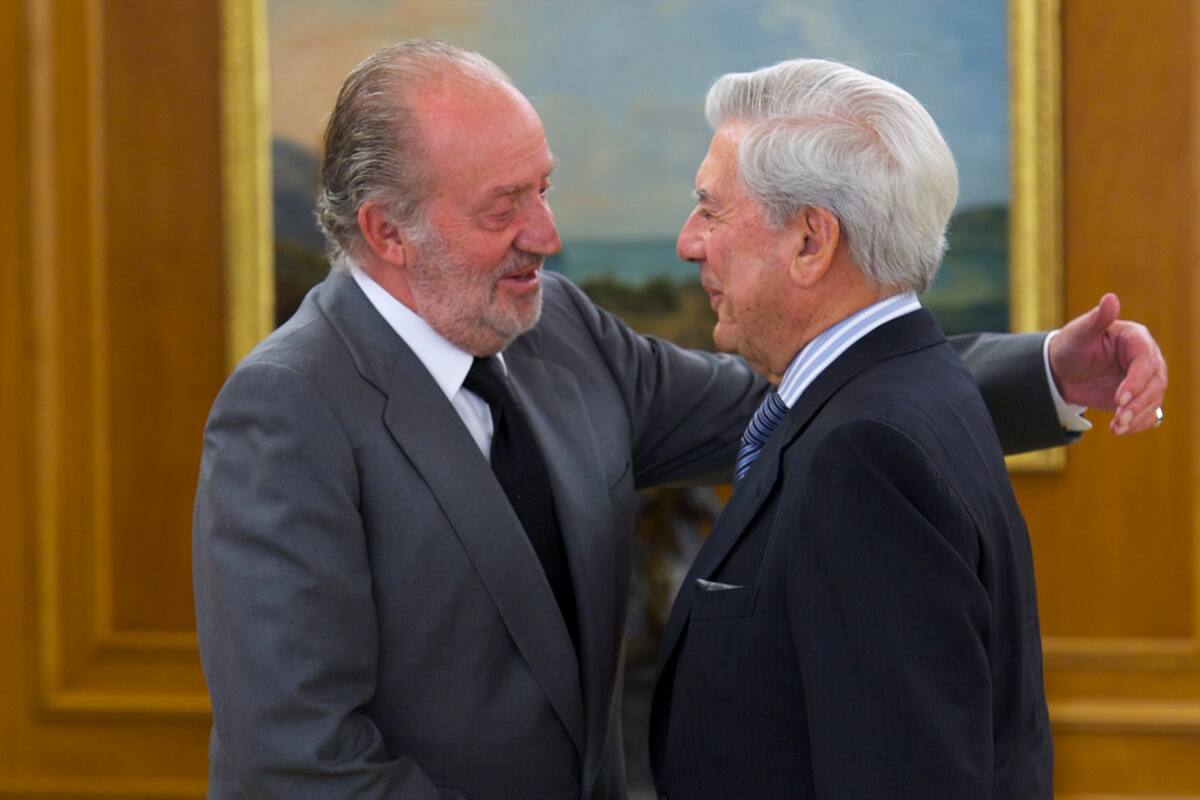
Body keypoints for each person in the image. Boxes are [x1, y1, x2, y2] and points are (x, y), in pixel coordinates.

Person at [192, 41, 1166, 799]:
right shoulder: (286, 412)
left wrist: (1044, 372)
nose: (548, 234)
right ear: (386, 232)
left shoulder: (553, 328)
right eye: (505, 205)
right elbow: (300, 764)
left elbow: (808, 397)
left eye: (546, 184)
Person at [648, 58, 1064, 798]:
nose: (688, 242)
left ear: (811, 242)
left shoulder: (863, 454)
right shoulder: (908, 388)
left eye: (710, 209)